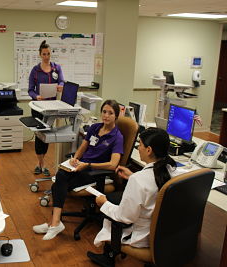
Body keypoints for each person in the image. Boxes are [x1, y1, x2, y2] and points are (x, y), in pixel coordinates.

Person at [87, 127, 182, 266]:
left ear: (149, 150)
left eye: (141, 145)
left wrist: (103, 203)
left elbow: (124, 217)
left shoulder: (138, 180)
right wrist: (132, 176)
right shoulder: (171, 170)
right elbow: (153, 186)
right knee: (116, 199)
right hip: (164, 232)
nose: (138, 148)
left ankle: (110, 255)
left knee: (108, 207)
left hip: (142, 236)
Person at [33, 99, 124, 240]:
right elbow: (83, 147)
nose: (106, 115)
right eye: (104, 112)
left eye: (110, 113)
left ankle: (54, 222)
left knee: (59, 180)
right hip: (81, 167)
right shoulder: (95, 127)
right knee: (61, 176)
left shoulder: (117, 137)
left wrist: (88, 165)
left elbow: (113, 165)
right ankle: (55, 223)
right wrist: (75, 158)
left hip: (95, 172)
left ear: (116, 116)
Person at [28, 40, 65, 176]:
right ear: (40, 54)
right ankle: (40, 163)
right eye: (44, 54)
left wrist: (61, 85)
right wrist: (36, 96)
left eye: (48, 53)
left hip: (51, 108)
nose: (46, 56)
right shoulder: (35, 71)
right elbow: (30, 90)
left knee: (47, 135)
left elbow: (61, 81)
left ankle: (42, 162)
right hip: (38, 107)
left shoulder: (56, 68)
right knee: (39, 135)